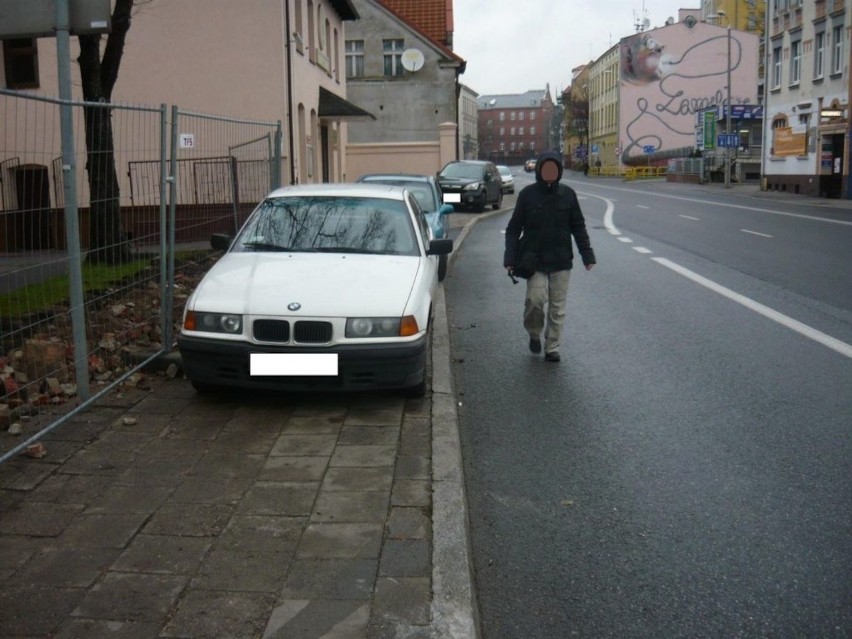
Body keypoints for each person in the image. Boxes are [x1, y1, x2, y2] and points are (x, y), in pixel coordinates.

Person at [503, 151, 596, 362]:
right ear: (539, 170)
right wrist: (510, 259)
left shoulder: (568, 195)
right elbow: (513, 228)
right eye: (546, 168)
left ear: (559, 171)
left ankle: (552, 347)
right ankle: (534, 333)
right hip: (534, 260)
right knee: (534, 302)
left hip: (561, 260)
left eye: (554, 168)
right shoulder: (527, 195)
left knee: (557, 308)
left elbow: (578, 227)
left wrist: (587, 255)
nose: (550, 172)